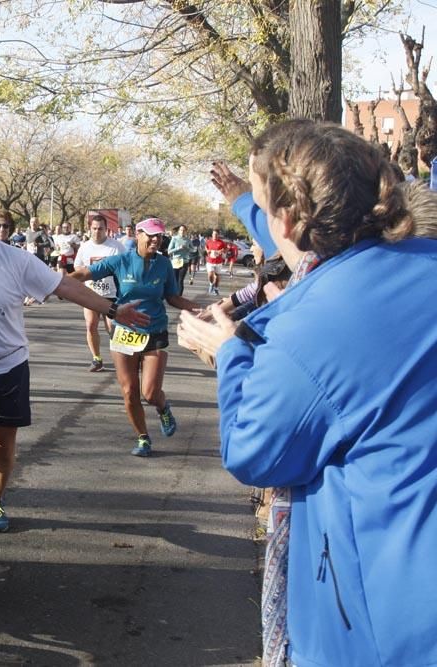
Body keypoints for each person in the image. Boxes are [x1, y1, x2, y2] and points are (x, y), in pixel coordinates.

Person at [178, 122, 437, 667]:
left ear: (290, 219)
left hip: (384, 616)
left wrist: (230, 355)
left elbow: (258, 451)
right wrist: (245, 199)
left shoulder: (310, 325)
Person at [0, 188, 149, 532]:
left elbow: (65, 287)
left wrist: (113, 309)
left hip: (9, 366)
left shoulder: (18, 260)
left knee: (2, 445)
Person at [72, 218, 200, 457]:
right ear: (138, 235)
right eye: (150, 235)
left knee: (150, 393)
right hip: (124, 332)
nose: (155, 239)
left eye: (159, 236)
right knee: (129, 391)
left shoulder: (164, 264)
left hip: (155, 331)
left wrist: (200, 309)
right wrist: (55, 284)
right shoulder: (121, 260)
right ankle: (143, 437)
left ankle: (163, 407)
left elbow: (172, 297)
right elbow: (84, 273)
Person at [73, 214, 124, 371]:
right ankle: (96, 359)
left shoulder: (116, 247)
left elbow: (124, 266)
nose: (97, 232)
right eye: (94, 228)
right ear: (90, 229)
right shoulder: (85, 247)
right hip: (91, 293)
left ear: (106, 229)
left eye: (100, 229)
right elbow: (77, 267)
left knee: (113, 328)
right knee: (90, 325)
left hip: (112, 293)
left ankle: (122, 359)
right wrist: (88, 275)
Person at [166, 225, 192, 295]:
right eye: (181, 230)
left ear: (186, 231)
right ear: (178, 231)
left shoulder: (188, 240)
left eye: (184, 230)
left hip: (184, 261)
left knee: (180, 280)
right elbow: (169, 251)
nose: (182, 231)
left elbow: (193, 250)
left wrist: (187, 248)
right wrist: (178, 248)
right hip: (176, 261)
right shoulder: (174, 238)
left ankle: (179, 297)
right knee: (175, 280)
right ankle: (174, 294)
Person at [203, 229, 227, 295]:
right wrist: (207, 250)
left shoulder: (221, 242)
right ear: (212, 235)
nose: (214, 235)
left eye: (216, 234)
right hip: (210, 261)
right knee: (210, 274)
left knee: (217, 276)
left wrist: (222, 251)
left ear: (218, 235)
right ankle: (211, 284)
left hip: (218, 262)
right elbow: (206, 247)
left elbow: (226, 249)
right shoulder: (208, 241)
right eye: (213, 234)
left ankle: (216, 288)